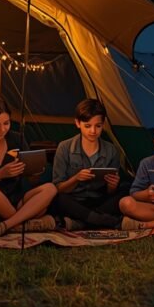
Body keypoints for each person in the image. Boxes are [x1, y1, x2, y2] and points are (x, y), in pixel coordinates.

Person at [0, 95, 59, 239]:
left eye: (6, 123)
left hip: (19, 201)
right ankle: (24, 222)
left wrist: (35, 173)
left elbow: (31, 180)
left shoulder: (17, 138)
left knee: (50, 188)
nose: (2, 130)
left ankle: (8, 225)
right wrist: (1, 174)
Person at [51, 98, 129, 230]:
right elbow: (58, 187)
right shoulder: (64, 147)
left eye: (98, 126)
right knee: (58, 198)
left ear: (103, 125)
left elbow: (110, 192)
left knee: (126, 190)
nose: (93, 131)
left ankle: (82, 222)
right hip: (74, 201)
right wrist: (76, 178)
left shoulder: (111, 150)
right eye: (87, 126)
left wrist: (112, 186)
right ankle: (103, 221)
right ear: (78, 123)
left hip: (98, 203)